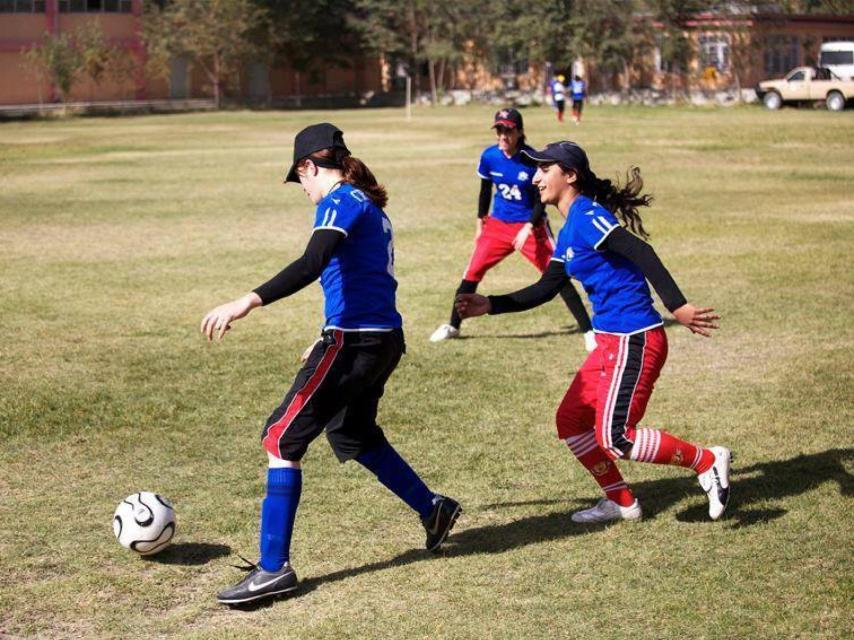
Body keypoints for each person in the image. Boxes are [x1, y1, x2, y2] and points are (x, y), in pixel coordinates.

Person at [202, 123, 461, 605]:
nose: (301, 189)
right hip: (380, 339)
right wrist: (324, 334)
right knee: (353, 435)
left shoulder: (340, 200)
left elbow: (312, 262)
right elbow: (359, 281)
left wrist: (247, 301)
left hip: (356, 344)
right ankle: (433, 508)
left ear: (309, 166)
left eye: (298, 178)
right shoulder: (368, 205)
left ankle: (273, 568)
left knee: (282, 437)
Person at [455, 140, 731, 523]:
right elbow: (546, 287)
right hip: (609, 341)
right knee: (570, 421)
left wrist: (677, 306)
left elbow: (641, 252)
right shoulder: (569, 231)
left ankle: (708, 460)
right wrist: (492, 304)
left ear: (570, 175)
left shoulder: (587, 215)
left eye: (544, 169)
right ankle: (621, 501)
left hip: (635, 336)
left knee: (616, 437)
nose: (535, 178)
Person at [430, 108, 595, 352]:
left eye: (508, 130)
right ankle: (453, 326)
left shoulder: (532, 160)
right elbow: (485, 190)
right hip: (497, 225)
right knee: (471, 273)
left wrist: (528, 227)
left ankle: (588, 331)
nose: (503, 135)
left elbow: (541, 199)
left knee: (557, 275)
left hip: (531, 226)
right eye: (499, 130)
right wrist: (480, 223)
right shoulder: (489, 156)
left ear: (519, 132)